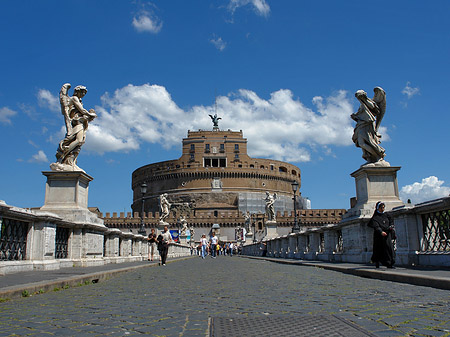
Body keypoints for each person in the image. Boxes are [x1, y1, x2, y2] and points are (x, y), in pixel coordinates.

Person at [368, 201, 396, 268]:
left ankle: (390, 262)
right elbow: (376, 226)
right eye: (381, 208)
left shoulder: (387, 215)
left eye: (383, 207)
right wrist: (381, 232)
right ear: (378, 208)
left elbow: (391, 221)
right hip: (379, 236)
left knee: (389, 248)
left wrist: (391, 226)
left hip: (387, 234)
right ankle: (378, 262)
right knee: (379, 249)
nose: (383, 209)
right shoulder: (375, 217)